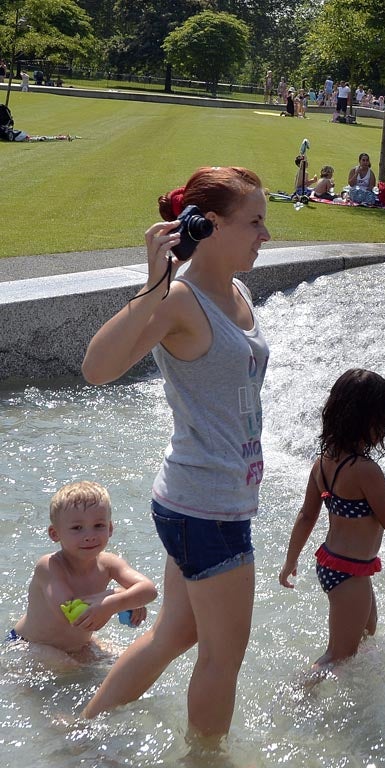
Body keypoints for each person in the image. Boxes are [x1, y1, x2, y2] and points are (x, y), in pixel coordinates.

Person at [79, 166, 271, 739]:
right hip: (208, 506)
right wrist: (153, 282)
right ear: (210, 225)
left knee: (175, 633)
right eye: (256, 222)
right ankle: (203, 758)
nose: (267, 235)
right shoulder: (179, 301)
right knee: (222, 657)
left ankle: (83, 728)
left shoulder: (237, 289)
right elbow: (96, 369)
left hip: (202, 496)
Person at [279, 369, 385, 667]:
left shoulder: (322, 463)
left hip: (336, 564)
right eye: (383, 421)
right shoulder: (364, 471)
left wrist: (290, 560)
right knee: (338, 656)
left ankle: (361, 698)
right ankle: (296, 702)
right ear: (369, 422)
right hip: (349, 572)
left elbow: (307, 516)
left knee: (367, 634)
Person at [12, 481, 157, 654]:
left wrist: (119, 602)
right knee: (70, 669)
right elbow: (72, 614)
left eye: (98, 526)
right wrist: (119, 596)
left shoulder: (109, 564)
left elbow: (149, 590)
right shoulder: (49, 566)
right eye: (77, 528)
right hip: (32, 645)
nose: (89, 536)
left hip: (79, 645)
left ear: (110, 528)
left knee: (127, 659)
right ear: (55, 534)